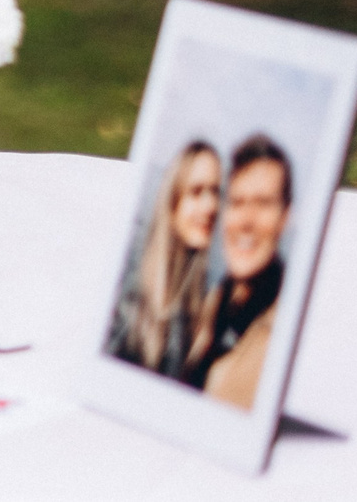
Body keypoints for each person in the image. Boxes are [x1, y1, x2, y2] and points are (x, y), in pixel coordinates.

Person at [191, 133, 292, 409]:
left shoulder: (280, 336)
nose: (246, 221)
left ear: (285, 216)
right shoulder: (216, 302)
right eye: (236, 202)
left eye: (263, 203)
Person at [105, 140, 221, 377]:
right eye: (196, 192)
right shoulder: (131, 298)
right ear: (172, 202)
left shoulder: (208, 298)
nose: (211, 206)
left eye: (216, 192)